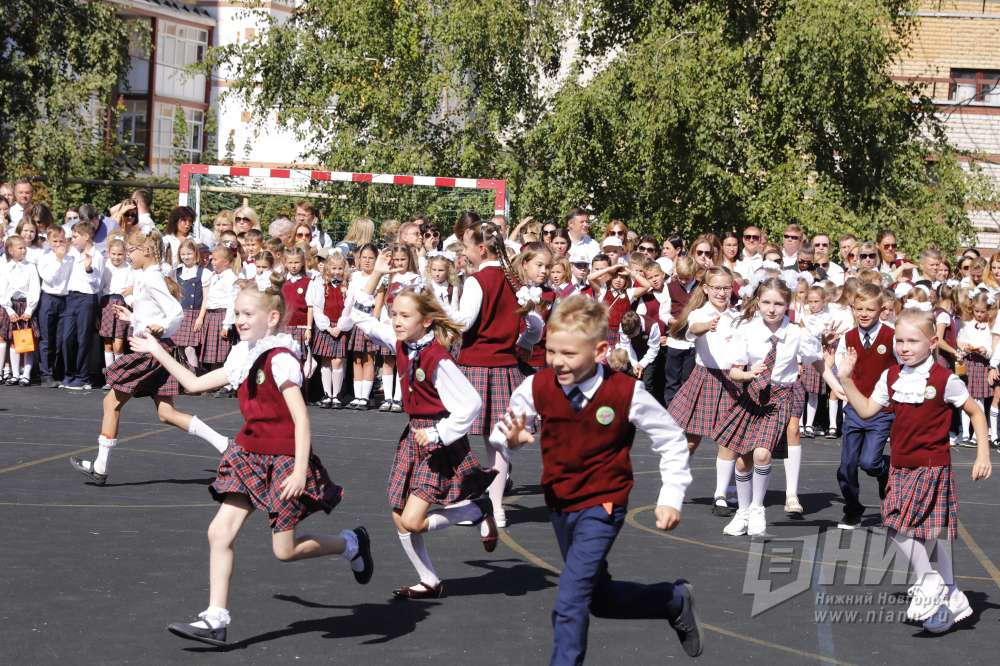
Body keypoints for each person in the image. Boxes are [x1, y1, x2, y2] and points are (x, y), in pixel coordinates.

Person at [127, 279, 373, 646]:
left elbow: (301, 419)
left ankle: (351, 544)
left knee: (284, 551)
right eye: (236, 313)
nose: (238, 319)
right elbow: (194, 384)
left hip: (286, 460)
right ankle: (216, 617)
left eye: (246, 313)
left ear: (272, 318)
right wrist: (155, 350)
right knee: (218, 532)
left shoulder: (281, 359)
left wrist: (301, 470)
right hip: (249, 454)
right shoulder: (244, 355)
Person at [490, 295, 701, 663]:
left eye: (569, 354)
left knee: (570, 602)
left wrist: (671, 496)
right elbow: (504, 430)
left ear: (600, 350)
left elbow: (671, 439)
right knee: (598, 598)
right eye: (552, 351)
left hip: (603, 504)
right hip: (559, 504)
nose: (557, 361)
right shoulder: (537, 386)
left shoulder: (625, 392)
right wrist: (511, 440)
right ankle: (673, 599)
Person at [351, 250, 498, 598]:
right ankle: (429, 579)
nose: (396, 321)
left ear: (426, 321)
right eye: (394, 314)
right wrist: (378, 276)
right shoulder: (401, 342)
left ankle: (477, 509)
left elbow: (471, 404)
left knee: (415, 520)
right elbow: (357, 316)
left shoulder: (436, 358)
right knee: (399, 514)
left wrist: (439, 434)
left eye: (405, 316)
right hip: (413, 436)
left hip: (437, 438)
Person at [834, 308, 991, 633]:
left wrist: (982, 455)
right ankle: (950, 593)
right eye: (900, 341)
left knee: (897, 527)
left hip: (931, 467)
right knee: (921, 534)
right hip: (901, 466)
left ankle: (931, 581)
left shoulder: (943, 380)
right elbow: (865, 410)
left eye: (913, 341)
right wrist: (846, 379)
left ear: (933, 342)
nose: (904, 347)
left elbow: (976, 413)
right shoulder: (892, 377)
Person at [69, 228, 230, 485]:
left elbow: (175, 312)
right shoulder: (146, 275)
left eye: (131, 250)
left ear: (145, 251)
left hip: (151, 351)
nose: (129, 255)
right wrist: (133, 318)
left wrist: (161, 328)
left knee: (111, 403)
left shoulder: (153, 278)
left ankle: (100, 467)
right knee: (166, 413)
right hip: (155, 348)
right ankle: (226, 446)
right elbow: (153, 313)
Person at [450, 220, 542, 531]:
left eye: (466, 247)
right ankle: (496, 508)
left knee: (459, 436)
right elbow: (535, 326)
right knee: (497, 442)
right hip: (505, 368)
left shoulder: (479, 281)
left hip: (475, 367)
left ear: (481, 249)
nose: (463, 253)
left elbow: (464, 322)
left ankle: (468, 503)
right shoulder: (513, 282)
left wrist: (437, 309)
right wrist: (524, 345)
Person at [714, 277, 823, 538]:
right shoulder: (748, 330)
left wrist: (838, 383)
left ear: (788, 305)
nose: (772, 308)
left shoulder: (796, 333)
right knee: (742, 461)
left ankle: (757, 508)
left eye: (778, 303)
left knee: (763, 454)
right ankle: (742, 511)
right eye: (766, 302)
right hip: (751, 396)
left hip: (779, 398)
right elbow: (735, 372)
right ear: (758, 302)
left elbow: (817, 360)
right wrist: (749, 374)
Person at [666, 267, 741, 516]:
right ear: (706, 289)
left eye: (726, 287)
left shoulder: (738, 315)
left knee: (728, 440)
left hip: (732, 380)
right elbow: (693, 328)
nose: (721, 292)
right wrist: (708, 325)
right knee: (690, 440)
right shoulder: (700, 313)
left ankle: (721, 494)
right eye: (716, 288)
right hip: (705, 378)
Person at [822, 283, 897, 530]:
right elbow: (839, 371)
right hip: (854, 408)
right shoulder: (848, 338)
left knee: (870, 463)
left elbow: (905, 365)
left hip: (880, 410)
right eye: (859, 308)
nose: (864, 313)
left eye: (870, 309)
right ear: (852, 308)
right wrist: (832, 364)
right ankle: (852, 509)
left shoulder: (892, 336)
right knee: (847, 466)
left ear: (881, 310)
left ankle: (884, 469)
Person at [60, 222, 104, 390]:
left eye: (76, 236)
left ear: (86, 236)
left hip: (87, 298)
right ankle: (69, 374)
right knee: (66, 338)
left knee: (83, 338)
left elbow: (97, 284)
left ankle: (82, 377)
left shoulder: (97, 256)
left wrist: (89, 269)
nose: (73, 239)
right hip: (71, 298)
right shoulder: (73, 253)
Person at [307, 250, 350, 408]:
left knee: (338, 361)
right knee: (325, 360)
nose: (337, 272)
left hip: (340, 325)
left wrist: (340, 326)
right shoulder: (319, 282)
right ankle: (327, 394)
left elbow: (350, 307)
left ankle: (337, 394)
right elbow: (316, 307)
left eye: (340, 268)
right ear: (327, 268)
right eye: (333, 268)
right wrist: (326, 326)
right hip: (325, 325)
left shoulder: (348, 284)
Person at [344, 243, 379, 409]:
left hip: (369, 318)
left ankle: (365, 397)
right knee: (356, 358)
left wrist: (373, 324)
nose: (367, 261)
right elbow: (350, 301)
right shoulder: (355, 277)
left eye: (370, 258)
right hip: (355, 319)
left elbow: (378, 304)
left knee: (368, 358)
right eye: (364, 257)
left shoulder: (379, 278)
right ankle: (357, 396)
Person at [199, 244, 239, 388]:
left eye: (215, 260)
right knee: (212, 353)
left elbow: (232, 302)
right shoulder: (213, 276)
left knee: (220, 353)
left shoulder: (231, 278)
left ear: (226, 262)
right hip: (211, 315)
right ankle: (212, 383)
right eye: (212, 259)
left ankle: (222, 384)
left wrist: (226, 324)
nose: (212, 262)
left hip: (221, 316)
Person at [37, 226, 73, 387]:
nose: (59, 244)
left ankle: (58, 371)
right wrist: (58, 260)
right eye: (55, 241)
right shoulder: (45, 258)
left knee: (60, 339)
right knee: (47, 338)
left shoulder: (71, 258)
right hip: (49, 298)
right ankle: (46, 374)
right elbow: (49, 278)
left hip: (65, 299)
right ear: (49, 242)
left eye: (61, 240)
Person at [2, 236, 40, 385]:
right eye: (20, 248)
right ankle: (15, 374)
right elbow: (2, 290)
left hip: (26, 307)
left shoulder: (30, 267)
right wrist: (9, 310)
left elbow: (34, 288)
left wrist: (30, 309)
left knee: (27, 340)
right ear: (11, 251)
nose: (24, 250)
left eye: (25, 247)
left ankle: (26, 375)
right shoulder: (5, 268)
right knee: (13, 341)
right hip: (12, 307)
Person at [958, 292, 994, 445]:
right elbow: (960, 341)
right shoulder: (967, 324)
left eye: (982, 311)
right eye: (977, 311)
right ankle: (965, 433)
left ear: (988, 311)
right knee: (965, 397)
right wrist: (965, 347)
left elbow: (992, 349)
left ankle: (977, 433)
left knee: (979, 400)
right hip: (968, 363)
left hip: (981, 365)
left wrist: (984, 350)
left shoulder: (990, 327)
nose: (979, 314)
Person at [98, 238, 133, 385]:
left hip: (122, 303)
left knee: (118, 343)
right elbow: (100, 287)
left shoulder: (129, 268)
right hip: (106, 303)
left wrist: (127, 294)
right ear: (109, 253)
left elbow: (132, 287)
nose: (116, 257)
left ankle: (119, 376)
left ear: (124, 254)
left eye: (119, 254)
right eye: (113, 254)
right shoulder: (105, 266)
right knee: (107, 343)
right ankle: (109, 378)